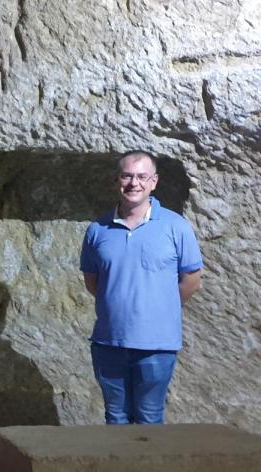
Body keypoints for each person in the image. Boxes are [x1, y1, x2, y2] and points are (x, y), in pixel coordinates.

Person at [80, 150, 202, 424]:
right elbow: (93, 281)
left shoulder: (176, 227)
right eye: (127, 176)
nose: (134, 183)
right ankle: (118, 469)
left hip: (157, 346)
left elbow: (191, 281)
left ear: (154, 182)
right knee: (115, 416)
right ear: (117, 180)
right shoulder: (97, 230)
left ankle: (148, 469)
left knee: (149, 416)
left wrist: (159, 307)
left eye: (142, 176)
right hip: (109, 343)